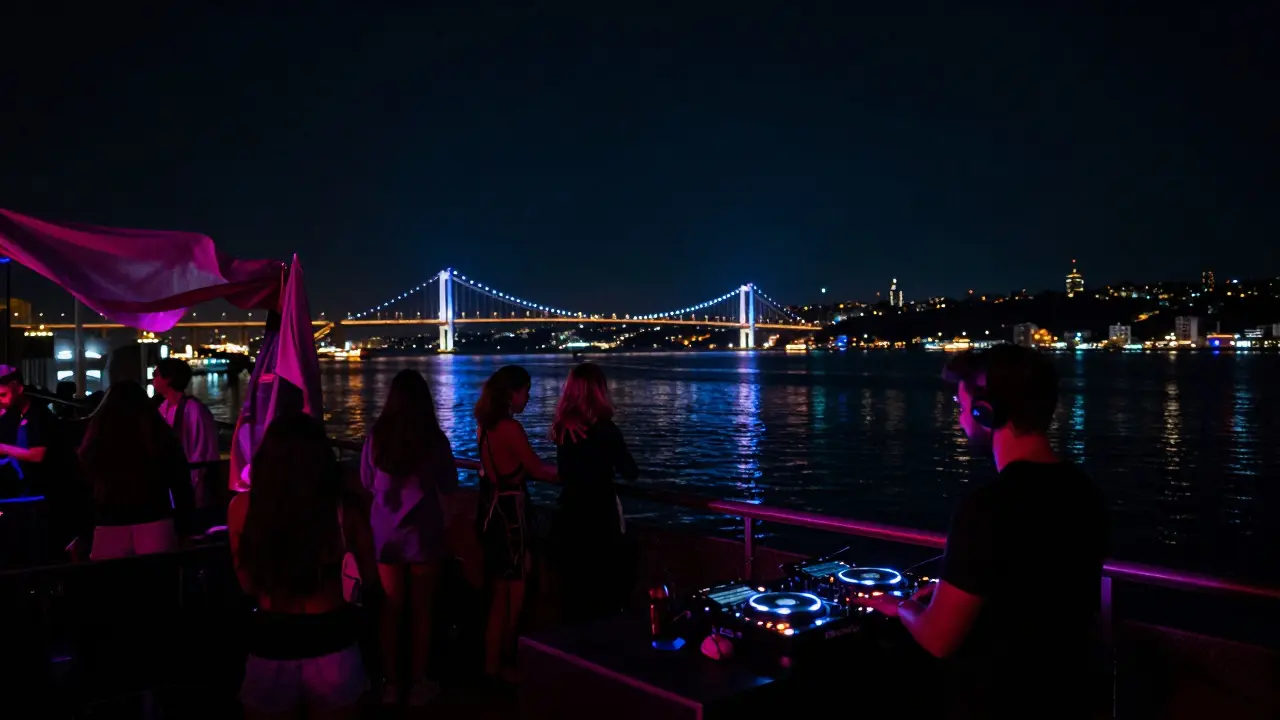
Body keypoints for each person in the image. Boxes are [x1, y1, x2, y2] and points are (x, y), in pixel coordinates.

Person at [857, 344, 1108, 717]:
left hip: (998, 699)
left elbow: (939, 639)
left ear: (985, 412)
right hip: (1069, 694)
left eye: (961, 408)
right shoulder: (1085, 490)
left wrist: (904, 606)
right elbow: (1030, 587)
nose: (959, 419)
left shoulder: (988, 507)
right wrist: (949, 592)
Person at [229, 412, 378, 719]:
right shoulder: (343, 509)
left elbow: (246, 585)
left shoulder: (242, 508)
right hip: (332, 639)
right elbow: (370, 582)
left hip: (272, 639)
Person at [360, 369, 458, 706]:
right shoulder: (435, 439)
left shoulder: (376, 437)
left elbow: (367, 481)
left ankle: (389, 684)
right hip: (424, 532)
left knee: (390, 609)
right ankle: (418, 683)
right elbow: (449, 486)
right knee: (422, 612)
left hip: (386, 533)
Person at [474, 365, 557, 682]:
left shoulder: (483, 426)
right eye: (526, 390)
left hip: (491, 514)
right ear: (512, 392)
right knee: (516, 594)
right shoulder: (509, 428)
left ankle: (492, 664)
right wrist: (575, 473)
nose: (529, 397)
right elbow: (536, 468)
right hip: (512, 518)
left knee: (498, 596)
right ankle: (508, 660)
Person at [549, 363, 638, 621]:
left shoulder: (564, 429)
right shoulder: (606, 430)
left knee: (573, 595)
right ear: (600, 390)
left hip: (569, 515)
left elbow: (564, 473)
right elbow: (630, 472)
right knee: (603, 595)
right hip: (600, 517)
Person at [75, 380, 194, 560]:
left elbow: (84, 490)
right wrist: (185, 530)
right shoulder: (160, 436)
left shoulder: (98, 440)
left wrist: (84, 534)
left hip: (109, 524)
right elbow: (182, 485)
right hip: (155, 520)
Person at [153, 358, 221, 516]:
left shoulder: (195, 410)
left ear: (168, 378)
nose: (153, 379)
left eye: (156, 374)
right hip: (173, 480)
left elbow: (206, 450)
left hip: (193, 481)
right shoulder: (163, 409)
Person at [0, 366, 56, 499]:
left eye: (3, 395)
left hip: (43, 493)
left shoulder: (38, 414)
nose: (0, 400)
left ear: (19, 389)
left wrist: (3, 449)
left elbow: (38, 455)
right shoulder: (11, 415)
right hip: (21, 489)